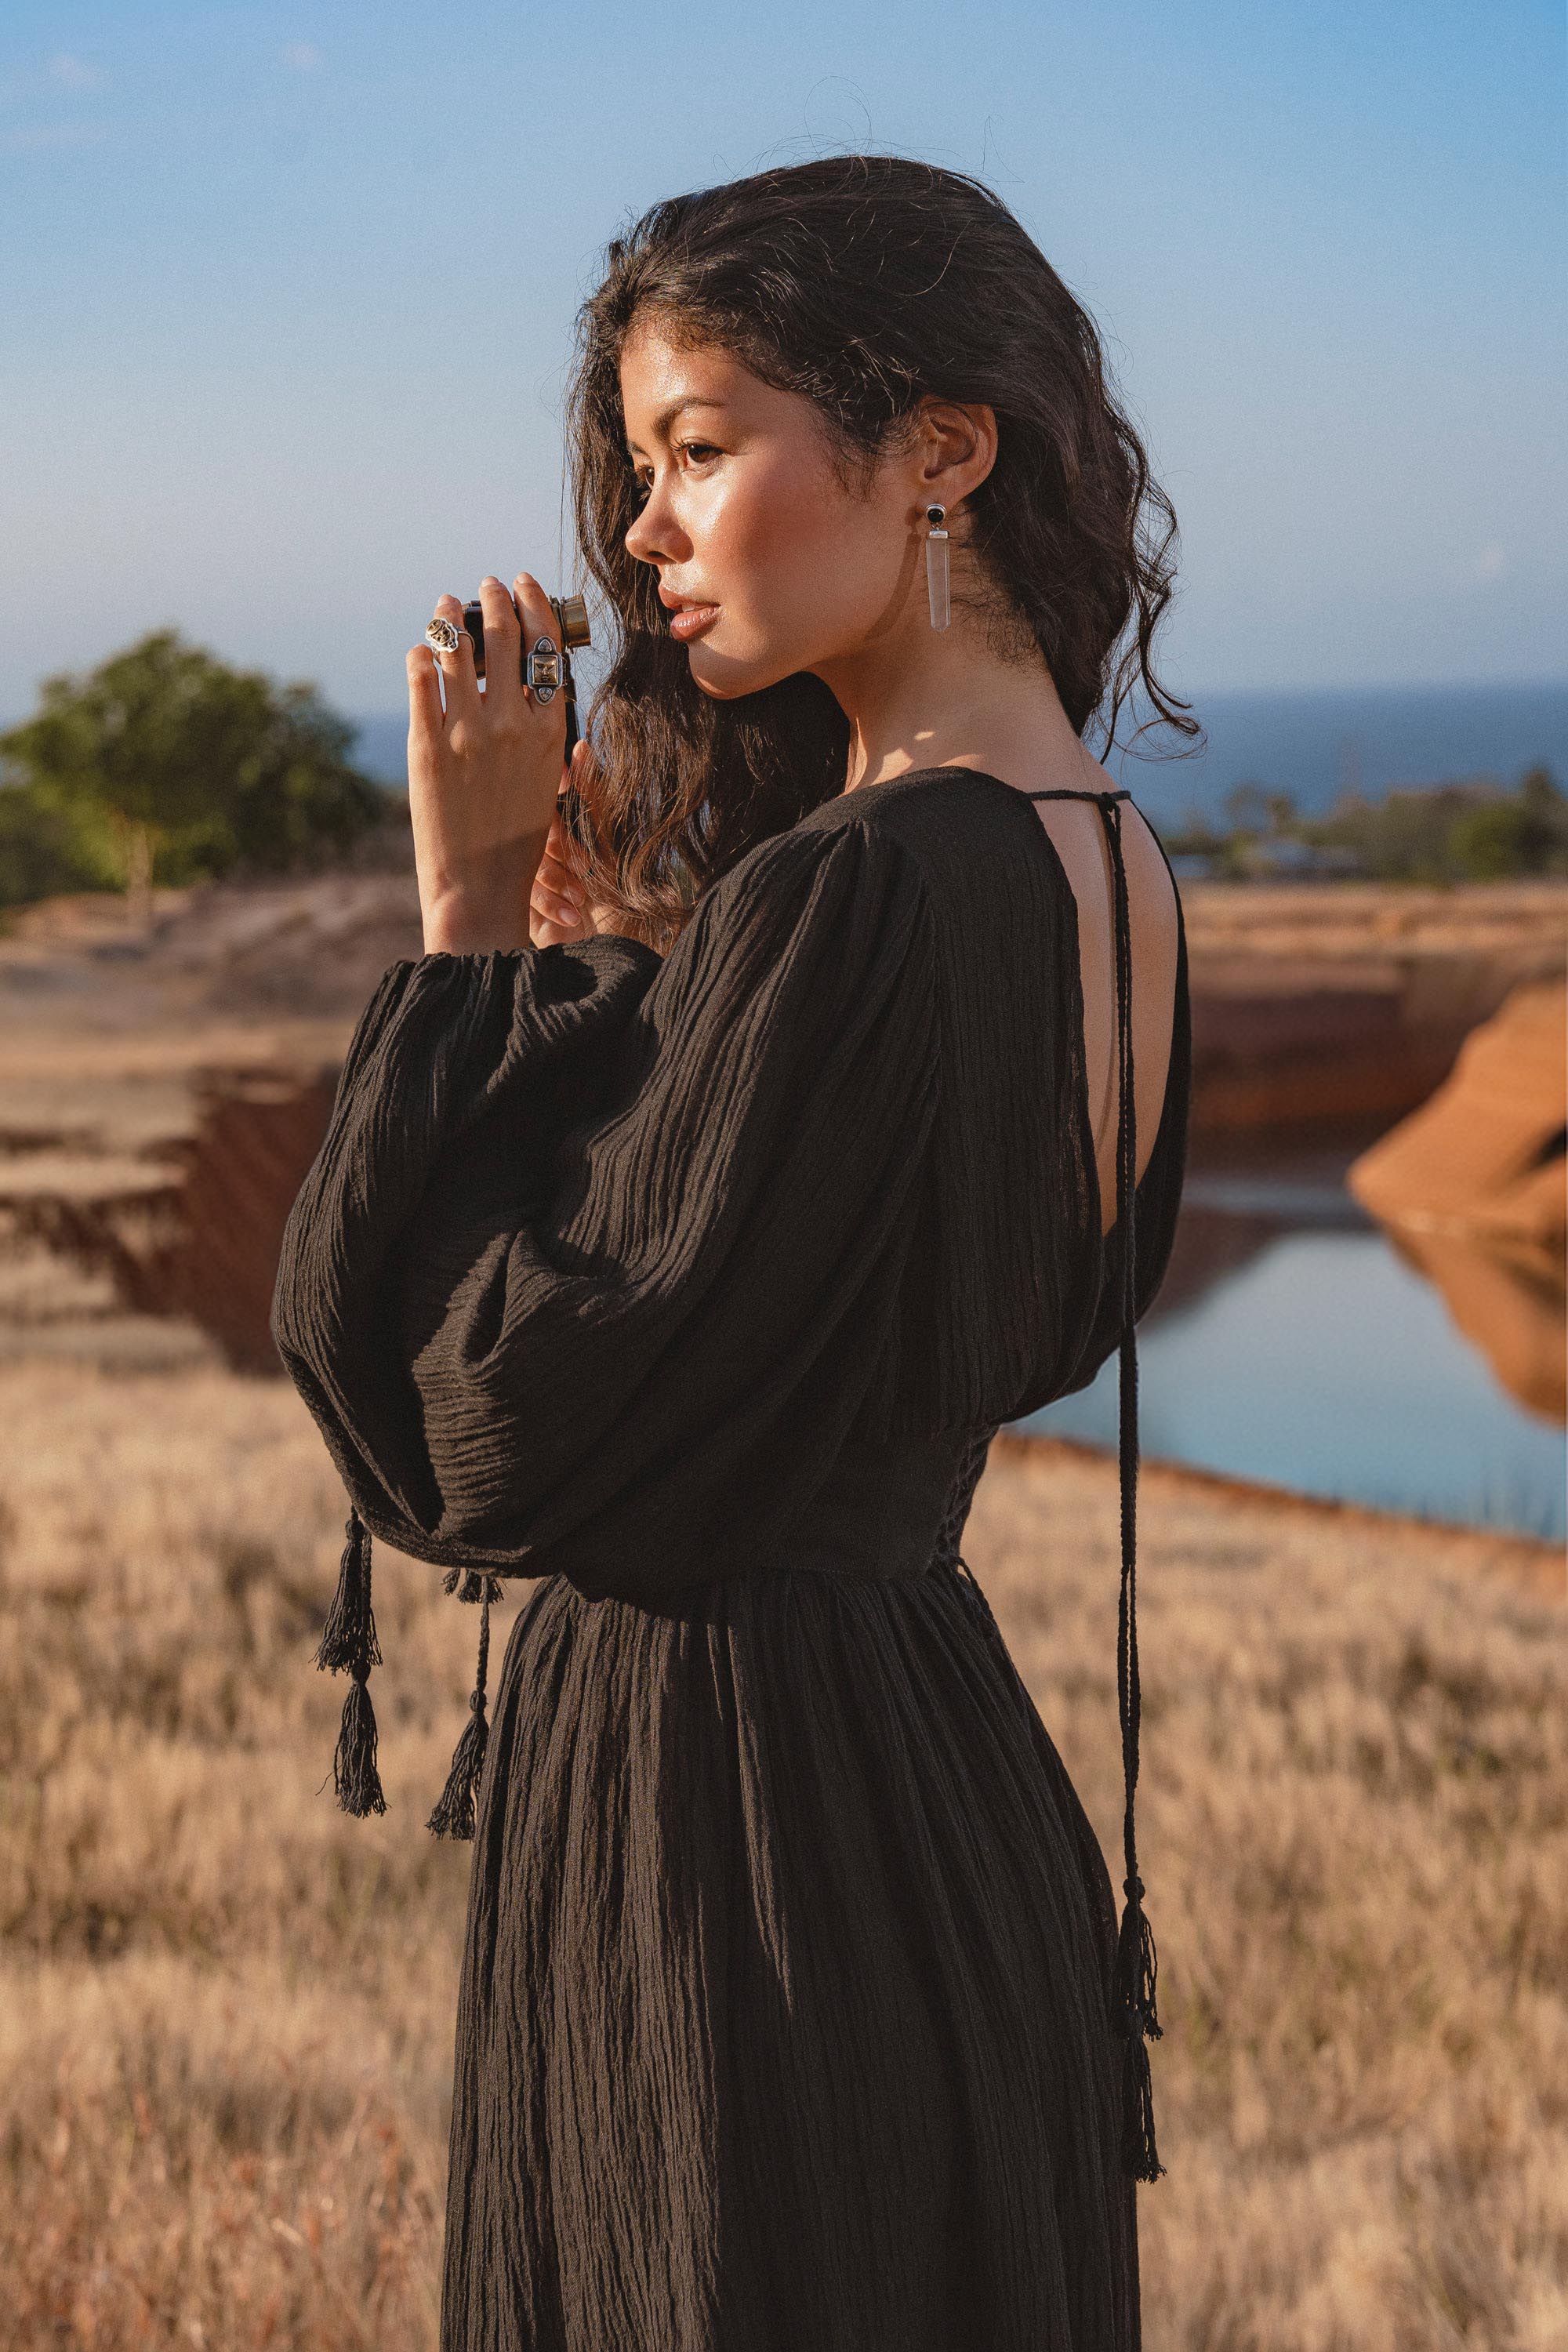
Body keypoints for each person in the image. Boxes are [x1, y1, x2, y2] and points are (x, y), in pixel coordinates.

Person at [271, 153, 1193, 2352]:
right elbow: (829, 1329)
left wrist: (471, 931)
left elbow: (479, 1437)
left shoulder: (857, 898)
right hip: (931, 1784)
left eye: (700, 451)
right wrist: (623, 996)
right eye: (638, 473)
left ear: (942, 450)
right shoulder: (1115, 862)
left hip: (732, 1839)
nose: (642, 535)